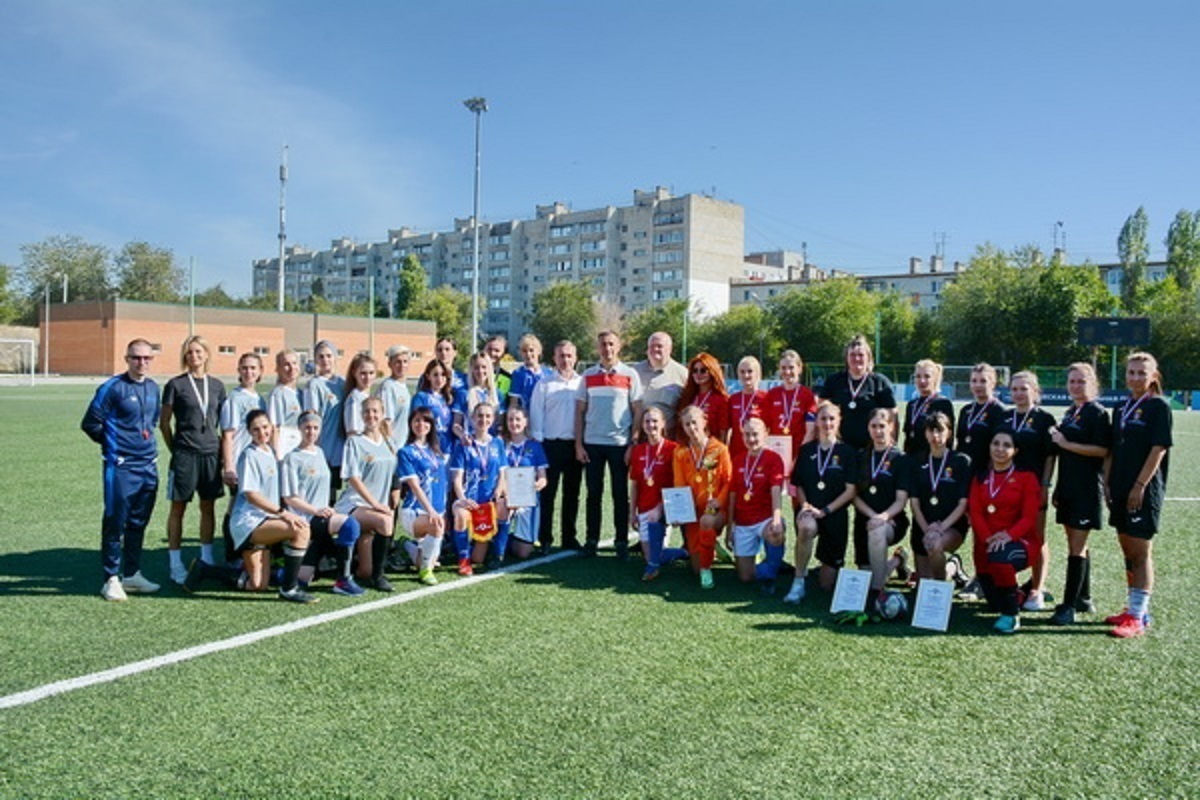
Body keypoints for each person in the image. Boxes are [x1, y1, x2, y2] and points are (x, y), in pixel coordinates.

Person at [81, 338, 163, 601]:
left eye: (147, 358)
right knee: (115, 521)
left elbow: (152, 421)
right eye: (136, 358)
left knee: (139, 522)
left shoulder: (153, 387)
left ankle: (132, 573)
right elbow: (91, 423)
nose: (142, 363)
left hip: (148, 465)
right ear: (126, 359)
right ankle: (111, 578)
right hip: (122, 467)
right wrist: (114, 447)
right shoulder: (112, 388)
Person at [1104, 351, 1172, 638]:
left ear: (1153, 376)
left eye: (1141, 373)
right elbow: (1113, 450)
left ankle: (1138, 617)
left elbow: (1159, 448)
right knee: (1127, 549)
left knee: (1141, 552)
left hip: (1142, 490)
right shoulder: (1121, 407)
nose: (1135, 378)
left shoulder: (1158, 407)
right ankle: (1134, 609)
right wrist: (1106, 483)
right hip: (1118, 487)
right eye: (1131, 372)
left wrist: (1139, 486)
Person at [227, 409, 317, 603]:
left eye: (265, 427)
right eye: (256, 429)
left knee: (258, 585)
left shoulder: (271, 451)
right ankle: (290, 588)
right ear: (249, 432)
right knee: (301, 530)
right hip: (249, 522)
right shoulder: (249, 455)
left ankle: (207, 570)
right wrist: (283, 513)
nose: (262, 433)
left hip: (265, 519)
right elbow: (251, 495)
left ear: (271, 427)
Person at [159, 335, 227, 584]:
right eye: (189, 353)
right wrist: (174, 448)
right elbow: (164, 422)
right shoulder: (175, 385)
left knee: (207, 507)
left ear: (207, 354)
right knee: (178, 508)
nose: (194, 356)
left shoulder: (218, 386)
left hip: (211, 454)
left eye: (198, 352)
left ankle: (207, 558)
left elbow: (224, 423)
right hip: (185, 455)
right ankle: (175, 563)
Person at [1048, 363, 1112, 625]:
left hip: (1086, 488)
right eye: (1072, 381)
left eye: (1081, 382)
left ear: (1092, 384)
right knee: (1075, 542)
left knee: (1077, 546)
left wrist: (1066, 443)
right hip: (1069, 486)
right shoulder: (1072, 411)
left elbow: (1102, 450)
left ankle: (1068, 606)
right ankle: (1083, 597)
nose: (1075, 386)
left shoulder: (1097, 413)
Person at [575, 330, 643, 559]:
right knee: (593, 494)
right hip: (592, 443)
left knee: (619, 494)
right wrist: (579, 444)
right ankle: (591, 540)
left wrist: (633, 443)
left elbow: (638, 411)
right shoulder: (587, 376)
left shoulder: (630, 374)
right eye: (603, 344)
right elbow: (580, 412)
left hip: (620, 444)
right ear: (598, 348)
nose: (607, 348)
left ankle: (621, 541)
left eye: (611, 344)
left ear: (619, 346)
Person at [281, 411, 364, 596]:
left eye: (315, 428)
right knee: (350, 525)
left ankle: (337, 574)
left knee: (303, 579)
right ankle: (343, 580)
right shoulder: (291, 458)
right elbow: (289, 498)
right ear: (300, 429)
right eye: (307, 428)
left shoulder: (319, 452)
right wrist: (315, 510)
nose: (311, 432)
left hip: (320, 518)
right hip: (306, 518)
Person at [969, 430, 1042, 633]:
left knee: (1000, 556)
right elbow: (975, 513)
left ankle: (1012, 616)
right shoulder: (981, 477)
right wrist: (988, 538)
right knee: (994, 604)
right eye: (996, 443)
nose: (1000, 449)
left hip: (1021, 542)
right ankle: (1020, 594)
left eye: (1006, 445)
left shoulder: (1026, 477)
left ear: (1016, 450)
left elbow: (1029, 517)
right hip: (987, 543)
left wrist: (1009, 536)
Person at [785, 401, 858, 602]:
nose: (827, 423)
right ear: (816, 421)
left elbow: (850, 491)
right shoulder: (807, 450)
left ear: (839, 421)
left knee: (827, 585)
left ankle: (823, 566)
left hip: (834, 515)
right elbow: (797, 484)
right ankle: (798, 581)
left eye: (832, 419)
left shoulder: (847, 452)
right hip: (810, 511)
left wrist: (825, 510)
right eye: (823, 418)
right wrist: (805, 504)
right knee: (806, 527)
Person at [1001, 371, 1057, 611]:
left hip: (1033, 488)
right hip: (1007, 487)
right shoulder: (1004, 418)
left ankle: (1037, 588)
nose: (1019, 394)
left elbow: (1050, 456)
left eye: (1024, 389)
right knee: (1008, 533)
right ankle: (1010, 586)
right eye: (1014, 389)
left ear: (1035, 391)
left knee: (1036, 536)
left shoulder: (1045, 419)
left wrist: (1045, 485)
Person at [334, 397, 398, 592]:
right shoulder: (355, 442)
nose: (371, 415)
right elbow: (353, 478)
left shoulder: (388, 442)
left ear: (382, 413)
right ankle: (379, 578)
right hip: (354, 505)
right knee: (385, 522)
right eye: (367, 412)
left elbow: (394, 472)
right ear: (362, 415)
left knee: (364, 572)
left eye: (375, 411)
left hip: (376, 507)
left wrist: (393, 493)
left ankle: (355, 562)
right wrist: (375, 504)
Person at [853, 408, 913, 603]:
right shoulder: (861, 456)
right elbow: (854, 496)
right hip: (864, 521)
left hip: (892, 521)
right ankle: (897, 560)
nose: (878, 431)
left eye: (882, 426)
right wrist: (872, 515)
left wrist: (883, 517)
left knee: (877, 532)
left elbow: (901, 501)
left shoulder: (901, 459)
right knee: (866, 573)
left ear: (891, 427)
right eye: (873, 426)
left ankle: (877, 595)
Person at [529, 340, 584, 552]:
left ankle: (569, 537)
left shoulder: (582, 383)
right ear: (554, 358)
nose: (566, 360)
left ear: (576, 357)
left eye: (569, 355)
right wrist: (540, 445)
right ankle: (545, 539)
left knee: (572, 494)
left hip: (574, 446)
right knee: (548, 494)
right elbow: (536, 415)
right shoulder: (544, 383)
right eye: (561, 355)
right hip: (550, 446)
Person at [672, 406, 732, 589]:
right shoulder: (680, 453)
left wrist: (719, 501)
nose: (692, 427)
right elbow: (679, 485)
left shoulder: (720, 449)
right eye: (687, 424)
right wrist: (678, 512)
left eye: (694, 422)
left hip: (715, 508)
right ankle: (711, 546)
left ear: (704, 421)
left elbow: (729, 481)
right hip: (692, 511)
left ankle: (707, 570)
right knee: (694, 568)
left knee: (707, 521)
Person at [909, 411, 970, 584]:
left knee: (935, 546)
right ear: (925, 433)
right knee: (923, 581)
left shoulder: (961, 461)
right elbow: (914, 503)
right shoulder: (917, 461)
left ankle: (939, 591)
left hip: (951, 527)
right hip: (923, 527)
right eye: (931, 430)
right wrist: (928, 529)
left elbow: (962, 503)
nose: (935, 436)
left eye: (940, 430)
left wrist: (940, 528)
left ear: (949, 432)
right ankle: (953, 566)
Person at [450, 402, 509, 575]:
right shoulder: (464, 444)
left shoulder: (497, 443)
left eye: (488, 416)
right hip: (470, 500)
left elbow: (502, 472)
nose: (484, 419)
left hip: (488, 502)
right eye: (480, 416)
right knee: (460, 514)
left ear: (493, 419)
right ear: (473, 419)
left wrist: (499, 490)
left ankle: (498, 554)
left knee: (504, 507)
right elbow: (457, 477)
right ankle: (463, 560)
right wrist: (461, 498)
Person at [728, 418, 787, 589]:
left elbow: (776, 491)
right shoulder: (738, 460)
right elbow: (733, 495)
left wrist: (776, 519)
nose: (751, 439)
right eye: (747, 434)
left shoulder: (774, 458)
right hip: (743, 522)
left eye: (755, 434)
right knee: (745, 577)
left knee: (776, 533)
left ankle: (772, 570)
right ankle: (769, 567)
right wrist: (730, 526)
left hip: (764, 519)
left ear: (765, 434)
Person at [219, 353, 266, 560]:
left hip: (257, 462)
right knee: (236, 507)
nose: (249, 372)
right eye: (245, 368)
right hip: (240, 462)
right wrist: (229, 466)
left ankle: (249, 552)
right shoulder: (234, 398)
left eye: (253, 368)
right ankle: (232, 553)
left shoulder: (260, 399)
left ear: (260, 372)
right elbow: (228, 435)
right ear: (239, 371)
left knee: (252, 508)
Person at [396, 407, 450, 586]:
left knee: (429, 557)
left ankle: (406, 545)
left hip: (435, 510)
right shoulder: (406, 452)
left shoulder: (436, 449)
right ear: (410, 424)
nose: (421, 425)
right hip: (415, 510)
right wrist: (432, 512)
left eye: (426, 421)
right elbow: (415, 487)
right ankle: (425, 571)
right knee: (435, 527)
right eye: (417, 421)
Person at [627, 407, 681, 581]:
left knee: (653, 559)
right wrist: (632, 513)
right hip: (644, 507)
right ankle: (682, 553)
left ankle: (657, 564)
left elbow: (678, 484)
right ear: (642, 425)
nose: (651, 425)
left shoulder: (674, 449)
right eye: (647, 421)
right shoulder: (638, 451)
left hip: (665, 508)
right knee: (650, 556)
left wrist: (662, 507)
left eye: (655, 421)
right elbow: (635, 484)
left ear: (663, 424)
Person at [818, 334, 896, 451]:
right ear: (846, 358)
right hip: (839, 447)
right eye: (852, 355)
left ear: (868, 358)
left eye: (861, 355)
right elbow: (822, 410)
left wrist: (890, 445)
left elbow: (892, 417)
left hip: (871, 448)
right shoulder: (834, 381)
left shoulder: (880, 382)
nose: (857, 359)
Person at [503, 405, 549, 560]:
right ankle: (498, 539)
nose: (514, 423)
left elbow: (543, 478)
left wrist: (536, 485)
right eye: (510, 419)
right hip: (504, 498)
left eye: (518, 419)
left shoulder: (535, 446)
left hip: (526, 500)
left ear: (525, 422)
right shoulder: (500, 444)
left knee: (523, 554)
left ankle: (509, 539)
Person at [303, 340, 346, 501]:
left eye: (329, 356)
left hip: (339, 448)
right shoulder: (314, 385)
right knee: (319, 492)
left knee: (333, 491)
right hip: (322, 446)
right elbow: (311, 416)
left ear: (335, 358)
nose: (325, 360)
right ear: (315, 360)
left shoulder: (343, 383)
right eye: (321, 356)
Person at [632, 331, 688, 441]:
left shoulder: (682, 374)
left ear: (670, 349)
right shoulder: (634, 371)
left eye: (659, 346)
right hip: (639, 437)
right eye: (651, 346)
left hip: (668, 437)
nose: (655, 349)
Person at [955, 362, 1006, 474]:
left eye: (983, 381)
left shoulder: (999, 410)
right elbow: (960, 441)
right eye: (974, 381)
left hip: (986, 470)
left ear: (993, 383)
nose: (978, 385)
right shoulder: (965, 410)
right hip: (964, 469)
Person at [766, 349, 818, 454]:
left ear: (799, 368)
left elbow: (810, 430)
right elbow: (765, 428)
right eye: (783, 368)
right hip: (775, 451)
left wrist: (800, 454)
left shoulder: (807, 394)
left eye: (791, 367)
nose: (787, 372)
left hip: (800, 451)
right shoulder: (772, 394)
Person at [902, 359, 955, 460]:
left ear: (935, 379)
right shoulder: (912, 404)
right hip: (912, 459)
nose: (922, 381)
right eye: (918, 376)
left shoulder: (943, 403)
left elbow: (948, 438)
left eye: (927, 376)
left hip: (932, 460)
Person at [676, 352, 730, 445]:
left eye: (703, 370)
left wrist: (717, 453)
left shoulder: (721, 399)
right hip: (689, 450)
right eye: (695, 370)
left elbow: (723, 433)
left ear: (712, 372)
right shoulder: (687, 397)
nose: (698, 374)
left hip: (710, 449)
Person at [411, 359, 456, 454]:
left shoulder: (449, 398)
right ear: (428, 376)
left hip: (448, 449)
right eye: (435, 375)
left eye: (443, 375)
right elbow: (415, 423)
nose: (439, 379)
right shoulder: (421, 397)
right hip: (429, 449)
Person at [728, 356, 768, 461]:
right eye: (742, 372)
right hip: (736, 453)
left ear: (757, 374)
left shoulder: (766, 398)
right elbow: (727, 429)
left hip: (758, 453)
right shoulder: (733, 399)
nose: (746, 375)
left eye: (750, 371)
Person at [268, 349, 303, 459]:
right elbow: (274, 428)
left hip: (300, 450)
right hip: (286, 450)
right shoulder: (278, 394)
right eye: (286, 364)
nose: (292, 368)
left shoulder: (302, 393)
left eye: (294, 363)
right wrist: (277, 456)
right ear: (278, 369)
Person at [375, 344, 411, 446]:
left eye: (405, 362)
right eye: (398, 362)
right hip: (394, 447)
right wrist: (391, 447)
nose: (402, 365)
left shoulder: (404, 387)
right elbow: (386, 422)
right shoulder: (388, 387)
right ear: (390, 364)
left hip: (404, 445)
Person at [508, 334, 553, 413]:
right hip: (526, 416)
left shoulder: (548, 373)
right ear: (521, 353)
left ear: (539, 351)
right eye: (524, 351)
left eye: (531, 350)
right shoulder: (518, 374)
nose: (528, 354)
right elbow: (514, 402)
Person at [465, 351, 505, 430]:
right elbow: (456, 423)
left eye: (484, 367)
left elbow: (502, 422)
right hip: (471, 439)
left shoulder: (498, 394)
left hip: (492, 439)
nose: (480, 371)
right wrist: (463, 436)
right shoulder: (464, 392)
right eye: (476, 367)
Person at [342, 352, 377, 438]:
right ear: (354, 373)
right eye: (363, 373)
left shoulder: (368, 397)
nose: (367, 377)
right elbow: (352, 432)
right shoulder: (354, 398)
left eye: (371, 373)